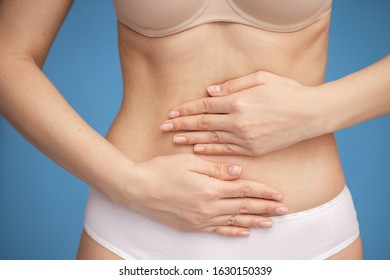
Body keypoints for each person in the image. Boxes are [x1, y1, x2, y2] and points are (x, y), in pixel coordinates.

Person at [0, 0, 384, 260]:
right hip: (135, 230)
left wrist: (315, 110)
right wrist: (128, 183)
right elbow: (8, 56)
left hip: (309, 239)